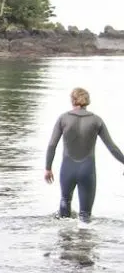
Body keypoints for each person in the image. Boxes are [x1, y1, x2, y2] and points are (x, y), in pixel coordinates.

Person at [44, 87, 124, 223]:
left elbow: (52, 145)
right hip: (87, 170)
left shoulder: (63, 118)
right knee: (85, 216)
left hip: (67, 169)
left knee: (64, 203)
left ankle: (64, 240)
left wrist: (48, 168)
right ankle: (85, 240)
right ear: (87, 101)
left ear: (72, 100)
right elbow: (112, 147)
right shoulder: (96, 120)